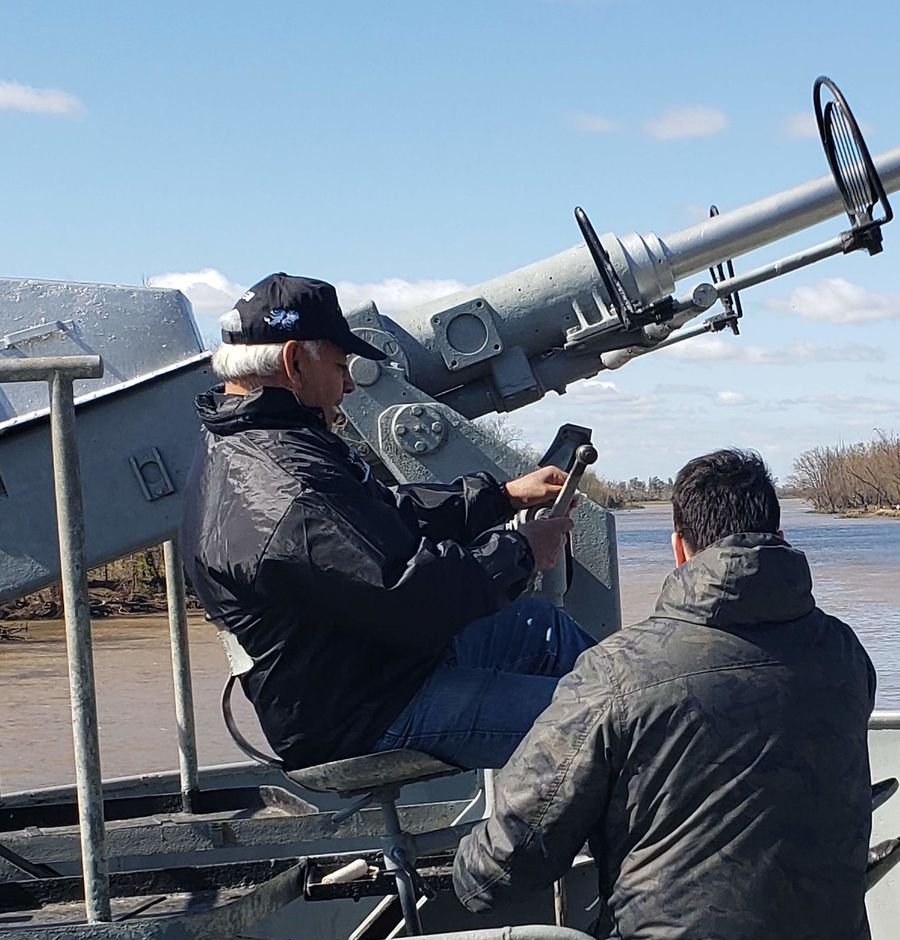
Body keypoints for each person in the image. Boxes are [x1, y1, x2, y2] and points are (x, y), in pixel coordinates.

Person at [453, 449, 878, 940]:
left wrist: (460, 870)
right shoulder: (845, 656)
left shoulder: (616, 675)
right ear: (780, 537)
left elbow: (507, 861)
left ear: (679, 546)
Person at [181, 272, 593, 772]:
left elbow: (383, 516)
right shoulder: (290, 487)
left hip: (365, 668)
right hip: (362, 712)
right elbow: (410, 594)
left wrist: (501, 498)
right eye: (339, 366)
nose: (350, 384)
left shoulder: (253, 441)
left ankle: (654, 699)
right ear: (293, 362)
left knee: (541, 628)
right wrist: (523, 550)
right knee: (603, 726)